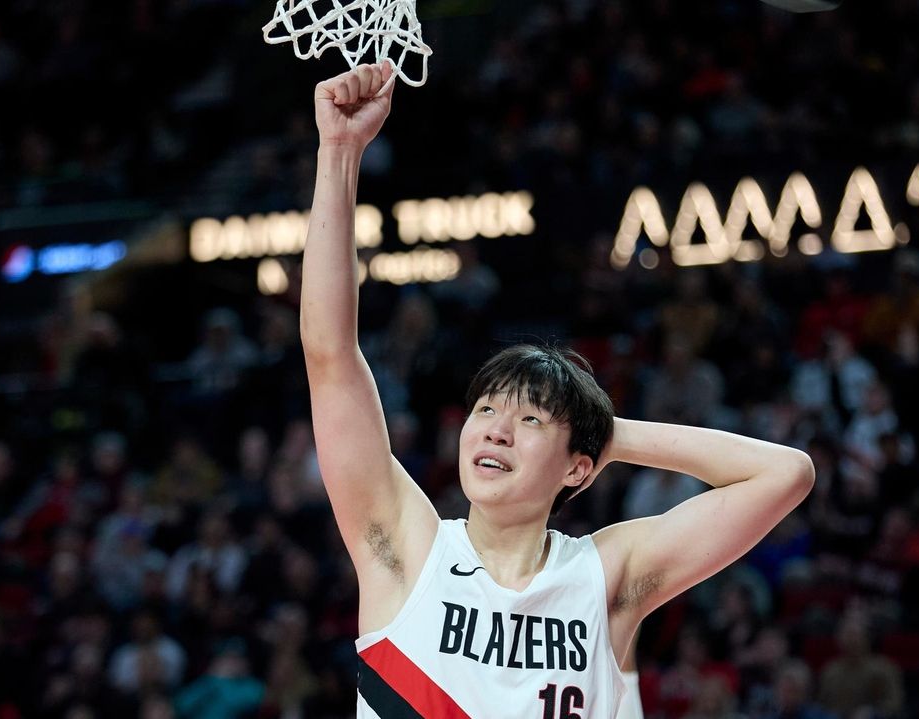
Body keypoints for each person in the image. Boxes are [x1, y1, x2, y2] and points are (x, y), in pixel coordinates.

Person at [301, 61, 815, 718]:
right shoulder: (407, 547)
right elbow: (330, 353)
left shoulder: (606, 576)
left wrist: (609, 432)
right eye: (485, 408)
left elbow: (785, 473)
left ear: (578, 464)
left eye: (531, 419)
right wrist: (339, 154)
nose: (494, 426)